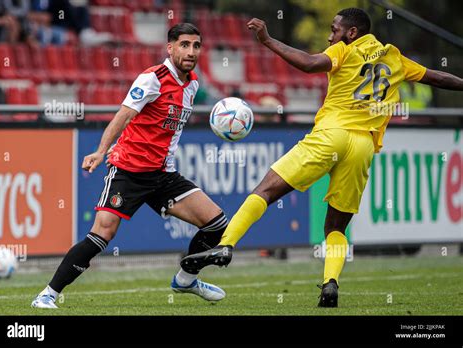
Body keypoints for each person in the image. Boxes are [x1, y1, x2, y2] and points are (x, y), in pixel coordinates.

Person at [181, 8, 463, 307]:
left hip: (332, 134)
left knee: (265, 190)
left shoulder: (344, 49)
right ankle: (330, 284)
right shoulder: (393, 57)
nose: (330, 35)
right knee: (336, 228)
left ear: (351, 32)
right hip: (363, 145)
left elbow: (310, 63)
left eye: (334, 29)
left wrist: (268, 41)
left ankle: (225, 246)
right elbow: (438, 77)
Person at [32, 23, 228, 309]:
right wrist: (101, 152)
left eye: (196, 45)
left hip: (162, 174)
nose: (191, 51)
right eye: (184, 45)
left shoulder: (193, 83)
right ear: (170, 47)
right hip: (128, 171)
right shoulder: (152, 78)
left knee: (216, 223)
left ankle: (186, 279)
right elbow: (122, 116)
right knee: (103, 233)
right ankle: (47, 294)